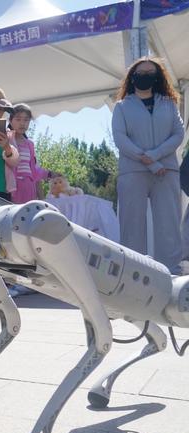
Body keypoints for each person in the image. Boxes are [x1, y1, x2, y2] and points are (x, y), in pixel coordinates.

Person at [112, 57, 184, 273]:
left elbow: (178, 134)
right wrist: (150, 161)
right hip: (133, 171)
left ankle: (171, 272)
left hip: (167, 171)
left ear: (157, 78)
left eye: (150, 73)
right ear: (132, 77)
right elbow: (120, 139)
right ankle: (134, 272)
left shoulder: (170, 104)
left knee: (169, 223)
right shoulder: (121, 107)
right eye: (140, 72)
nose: (144, 76)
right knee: (131, 223)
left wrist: (154, 156)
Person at [9, 103, 53, 204]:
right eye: (18, 119)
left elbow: (34, 171)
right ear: (10, 121)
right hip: (14, 188)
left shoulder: (30, 144)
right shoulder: (7, 140)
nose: (22, 123)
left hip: (29, 187)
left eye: (26, 120)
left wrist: (50, 174)